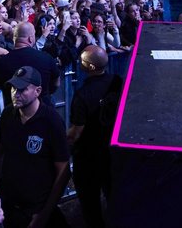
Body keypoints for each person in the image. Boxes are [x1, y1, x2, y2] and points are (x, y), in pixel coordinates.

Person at [0, 66, 70, 228]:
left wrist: (44, 214)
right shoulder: (7, 115)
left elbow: (64, 171)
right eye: (13, 88)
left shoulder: (51, 121)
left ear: (37, 91)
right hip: (9, 206)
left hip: (36, 209)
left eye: (22, 89)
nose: (15, 94)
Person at [67, 46, 122, 228]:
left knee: (90, 204)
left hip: (89, 158)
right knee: (114, 196)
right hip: (113, 153)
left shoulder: (82, 95)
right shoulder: (118, 82)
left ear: (89, 67)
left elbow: (77, 131)